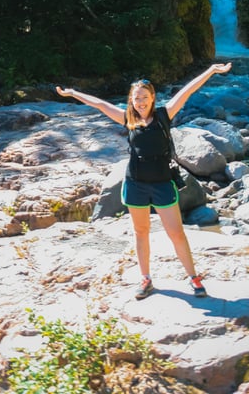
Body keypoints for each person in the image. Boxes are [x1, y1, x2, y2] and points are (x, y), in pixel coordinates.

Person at [56, 62, 232, 300]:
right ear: (131, 100)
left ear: (152, 98)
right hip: (135, 184)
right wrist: (73, 93)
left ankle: (194, 278)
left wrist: (211, 71)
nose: (140, 102)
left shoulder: (164, 115)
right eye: (136, 98)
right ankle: (146, 279)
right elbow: (99, 104)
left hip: (162, 184)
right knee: (141, 232)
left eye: (144, 97)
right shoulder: (127, 118)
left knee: (177, 233)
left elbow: (188, 90)